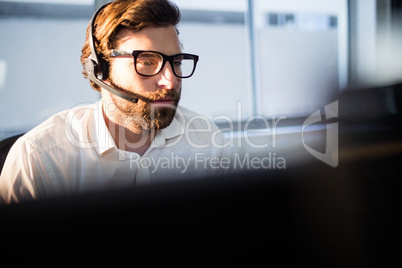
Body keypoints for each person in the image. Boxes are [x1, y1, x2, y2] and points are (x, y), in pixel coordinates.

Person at [0, 0, 229, 204]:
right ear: (101, 70)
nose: (170, 81)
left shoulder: (207, 140)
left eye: (176, 61)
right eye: (148, 62)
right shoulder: (39, 158)